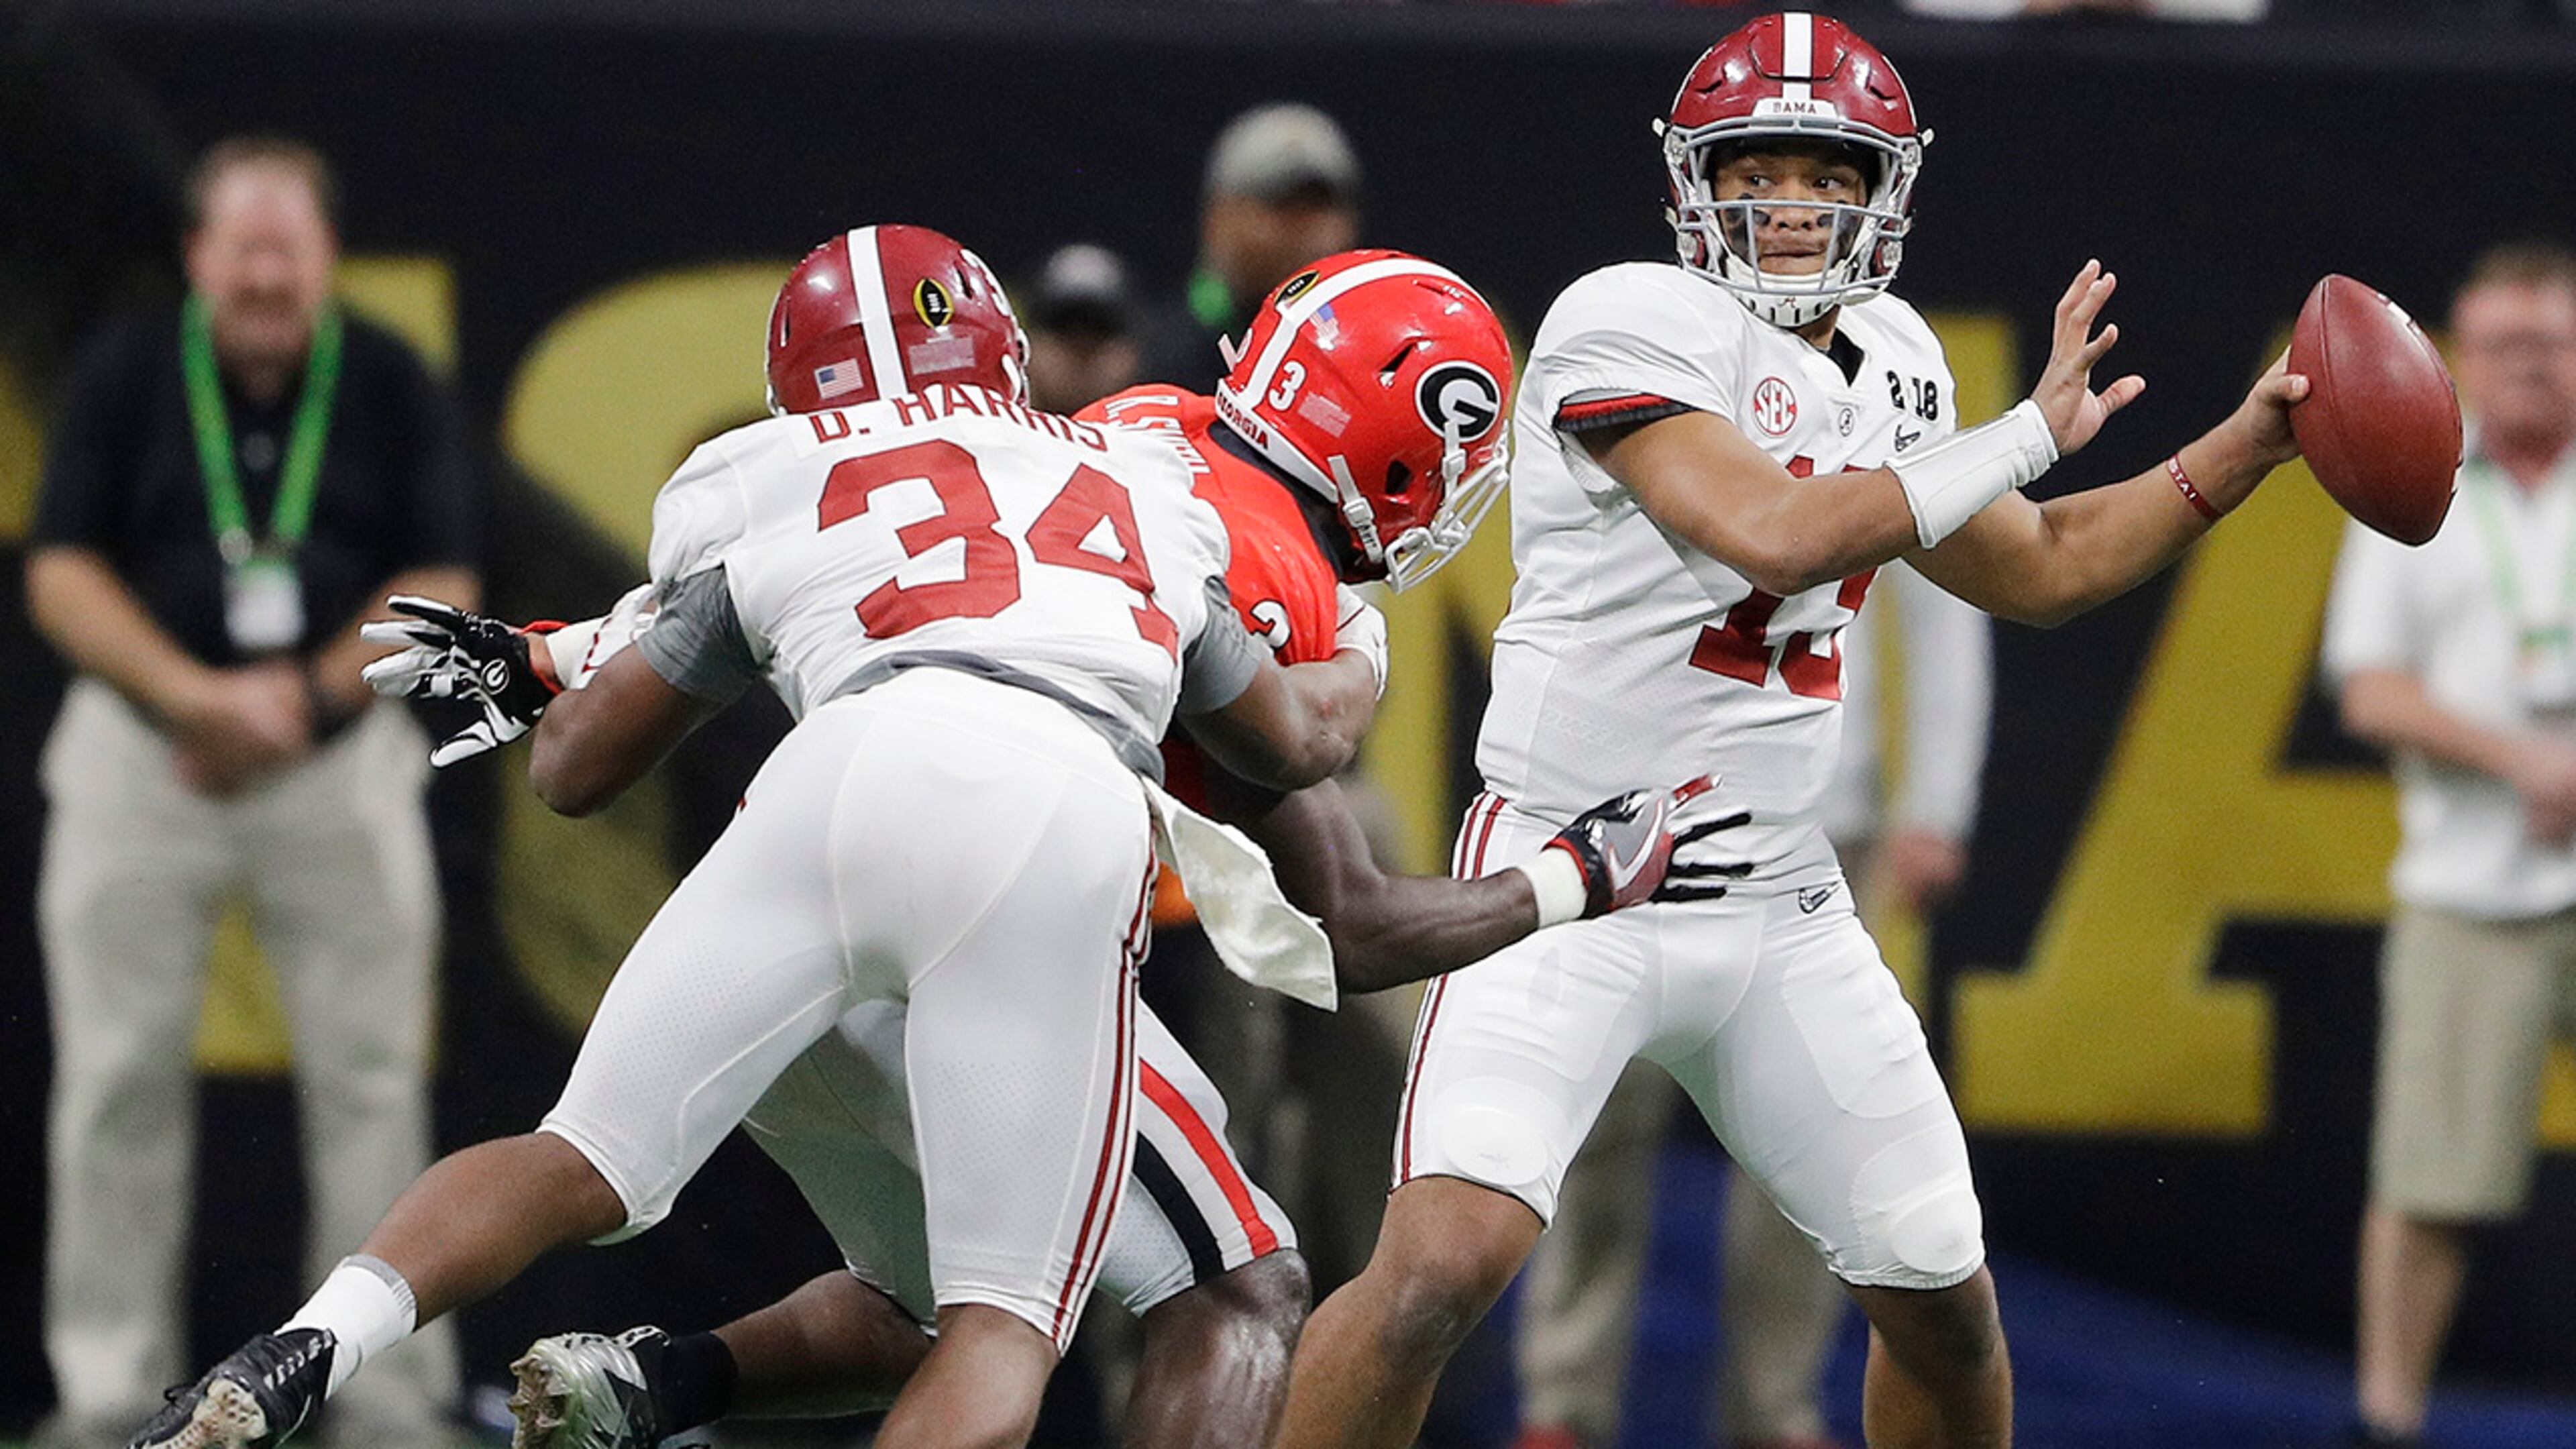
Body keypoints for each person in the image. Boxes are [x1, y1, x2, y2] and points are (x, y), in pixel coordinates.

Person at [124, 222, 1388, 1449]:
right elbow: (1293, 743)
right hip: (1044, 812)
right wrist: (1367, 651)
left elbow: (575, 770)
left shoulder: (773, 473)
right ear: (1002, 350)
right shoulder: (1137, 478)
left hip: (830, 790)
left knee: (581, 1157)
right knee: (1002, 1329)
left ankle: (305, 1347)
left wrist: (555, 666)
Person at [455, 250, 1735, 1449]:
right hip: (986, 924)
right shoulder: (1277, 591)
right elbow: (1353, 923)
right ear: (1406, 454)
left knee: (933, 1301)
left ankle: (651, 1385)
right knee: (1231, 1283)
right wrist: (1572, 876)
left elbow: (811, 542)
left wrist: (572, 649)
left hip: (798, 872)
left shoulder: (1136, 431)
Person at [1266, 13, 2311, 1448]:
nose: (1793, 203)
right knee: (1435, 1276)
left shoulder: (1898, 359)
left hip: (1776, 896)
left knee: (1944, 1307)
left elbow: (2047, 567)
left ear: (1884, 189)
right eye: (1756, 169)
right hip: (1572, 877)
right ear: (1694, 182)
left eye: (1827, 172)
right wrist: (2019, 436)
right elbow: (1769, 530)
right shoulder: (1623, 318)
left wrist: (2243, 449)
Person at [23, 136, 480, 1449]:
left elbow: (446, 579)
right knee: (114, 1081)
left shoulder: (389, 379)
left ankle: (382, 1397)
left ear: (328, 259)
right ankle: (108, 1390)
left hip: (336, 767)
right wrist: (194, 698)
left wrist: (307, 705)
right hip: (142, 760)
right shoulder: (126, 370)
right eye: (243, 248)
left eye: (288, 248)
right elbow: (61, 573)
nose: (266, 275)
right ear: (197, 258)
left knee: (371, 1084)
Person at [1512, 564, 1990, 1449]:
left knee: (1813, 1132)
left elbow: (1951, 579)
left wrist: (1937, 801)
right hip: (1632, 812)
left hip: (1808, 819)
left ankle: (1774, 1408)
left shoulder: (1875, 459)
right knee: (1593, 1112)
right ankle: (1563, 1401)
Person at [2322, 240, 2576, 1449]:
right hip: (2471, 888)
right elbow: (2370, 687)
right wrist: (2524, 761)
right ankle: (2389, 1419)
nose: (2529, 366)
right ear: (2460, 358)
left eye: (2553, 343)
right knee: (2428, 1179)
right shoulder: (2411, 479)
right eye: (2504, 344)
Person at [1134, 102, 1361, 388]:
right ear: (1219, 218)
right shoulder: (1147, 356)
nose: (1304, 230)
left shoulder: (1370, 350)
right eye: (1282, 206)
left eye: (1320, 208)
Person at [1022, 243, 1144, 415]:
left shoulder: (1164, 430)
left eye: (1100, 332)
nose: (1081, 353)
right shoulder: (992, 430)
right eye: (1064, 331)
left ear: (1132, 354)